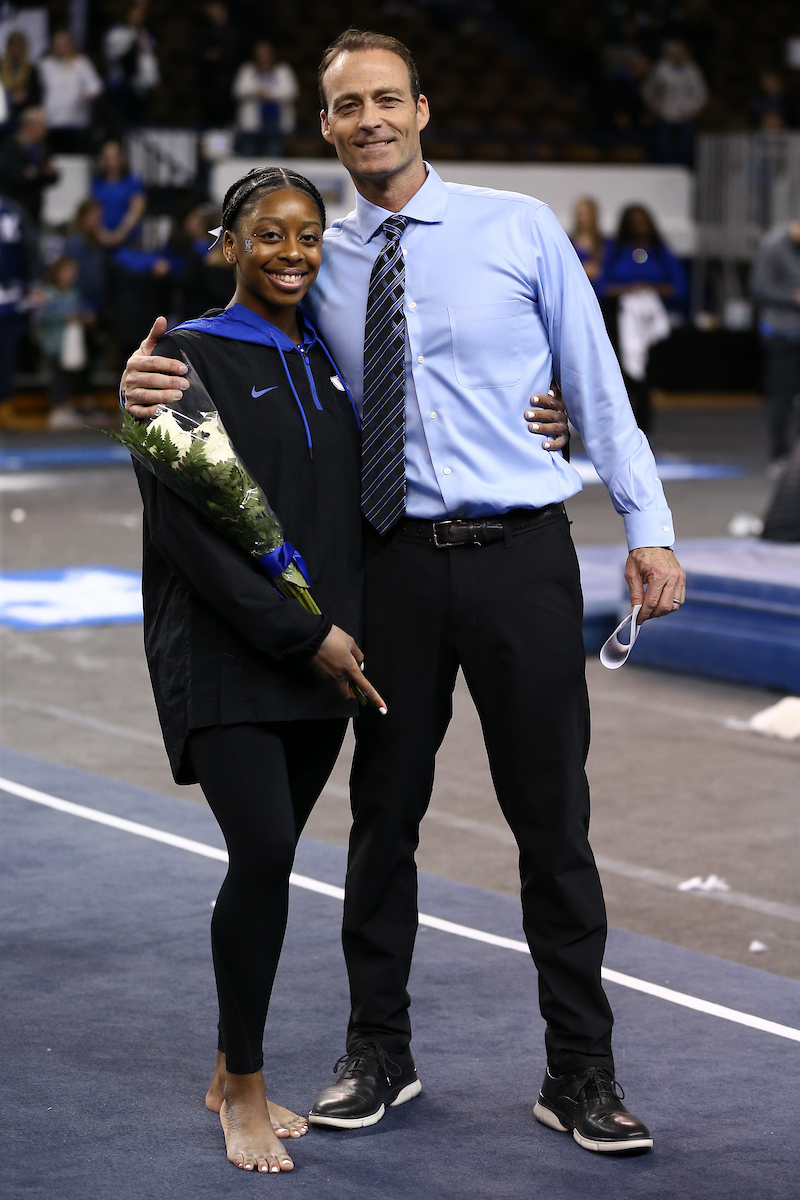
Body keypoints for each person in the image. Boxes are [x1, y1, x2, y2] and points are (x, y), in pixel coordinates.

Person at [121, 29, 685, 1156]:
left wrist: (649, 527)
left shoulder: (516, 226)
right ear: (326, 126)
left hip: (521, 557)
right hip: (390, 568)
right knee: (382, 821)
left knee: (552, 823)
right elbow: (230, 354)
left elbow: (592, 385)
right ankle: (378, 1051)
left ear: (422, 108)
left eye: (387, 98)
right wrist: (139, 382)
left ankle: (579, 1070)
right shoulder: (313, 253)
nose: (369, 118)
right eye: (348, 106)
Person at [134, 166, 393, 1173]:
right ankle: (242, 1084)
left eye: (308, 236)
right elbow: (188, 537)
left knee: (272, 862)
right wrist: (302, 634)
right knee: (263, 850)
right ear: (228, 244)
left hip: (318, 660)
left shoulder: (329, 356)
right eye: (269, 234)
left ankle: (223, 1064)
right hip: (226, 653)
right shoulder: (183, 357)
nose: (291, 253)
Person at [597, 203, 687, 431]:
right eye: (634, 221)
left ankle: (645, 427)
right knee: (621, 373)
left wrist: (649, 290)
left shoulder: (659, 250)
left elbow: (679, 285)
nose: (639, 226)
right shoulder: (615, 250)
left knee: (647, 374)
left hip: (649, 320)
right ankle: (620, 427)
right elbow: (602, 286)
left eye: (643, 221)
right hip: (621, 319)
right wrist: (628, 290)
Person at [750, 219, 800, 467]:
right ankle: (779, 457)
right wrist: (793, 297)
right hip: (782, 334)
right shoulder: (773, 246)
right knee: (782, 397)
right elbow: (759, 288)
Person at [34, 255, 89, 429]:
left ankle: (66, 408)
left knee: (69, 377)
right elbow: (41, 318)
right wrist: (63, 316)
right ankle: (58, 409)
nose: (71, 275)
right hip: (54, 344)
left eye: (73, 271)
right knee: (58, 377)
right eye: (67, 271)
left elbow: (81, 312)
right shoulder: (48, 293)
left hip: (71, 345)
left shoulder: (74, 293)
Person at [0, 191, 40, 408]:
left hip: (9, 297)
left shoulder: (15, 212)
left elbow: (30, 248)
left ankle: (5, 404)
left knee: (7, 352)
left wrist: (34, 283)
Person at [641, 39, 707, 166]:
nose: (679, 56)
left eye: (682, 53)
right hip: (665, 115)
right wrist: (655, 106)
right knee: (664, 148)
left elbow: (701, 94)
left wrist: (692, 109)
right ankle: (664, 173)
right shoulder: (661, 69)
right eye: (676, 53)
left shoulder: (692, 70)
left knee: (684, 149)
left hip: (684, 116)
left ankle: (684, 172)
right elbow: (648, 89)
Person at [38, 29, 103, 154]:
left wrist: (84, 96)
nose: (61, 48)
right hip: (51, 121)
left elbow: (96, 87)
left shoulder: (82, 63)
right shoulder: (46, 65)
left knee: (74, 156)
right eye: (57, 44)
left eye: (64, 44)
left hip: (76, 121)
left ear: (71, 44)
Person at [232, 40, 299, 157]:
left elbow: (291, 92)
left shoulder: (283, 70)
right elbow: (239, 90)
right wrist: (256, 92)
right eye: (260, 54)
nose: (263, 57)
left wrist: (268, 93)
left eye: (266, 53)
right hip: (252, 125)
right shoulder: (247, 70)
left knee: (274, 158)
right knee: (249, 157)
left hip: (276, 125)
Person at [103, 1, 159, 133]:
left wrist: (154, 79)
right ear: (127, 15)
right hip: (120, 85)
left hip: (141, 87)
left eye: (141, 15)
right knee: (121, 125)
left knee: (139, 126)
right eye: (135, 15)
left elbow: (148, 59)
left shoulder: (145, 34)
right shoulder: (116, 33)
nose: (138, 18)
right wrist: (133, 45)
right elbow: (117, 58)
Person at [0, 107, 59, 224]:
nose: (45, 131)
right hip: (14, 207)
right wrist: (39, 173)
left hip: (35, 207)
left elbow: (52, 175)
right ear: (29, 126)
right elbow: (14, 177)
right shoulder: (10, 147)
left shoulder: (43, 149)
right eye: (42, 126)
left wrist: (35, 173)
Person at [91, 139, 146, 247]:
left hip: (128, 240)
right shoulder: (97, 183)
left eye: (114, 156)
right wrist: (102, 234)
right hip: (102, 239)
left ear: (122, 157)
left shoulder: (132, 182)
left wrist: (121, 233)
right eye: (107, 157)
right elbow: (92, 211)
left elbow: (137, 209)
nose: (111, 161)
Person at [0, 31, 42, 128]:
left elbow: (36, 97)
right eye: (13, 46)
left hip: (23, 117)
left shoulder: (31, 70)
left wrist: (24, 97)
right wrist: (9, 97)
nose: (15, 50)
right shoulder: (1, 68)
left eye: (18, 46)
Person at [570, 196, 604, 284]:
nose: (582, 219)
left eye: (586, 214)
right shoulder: (568, 243)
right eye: (579, 214)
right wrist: (583, 270)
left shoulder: (605, 244)